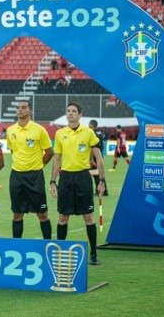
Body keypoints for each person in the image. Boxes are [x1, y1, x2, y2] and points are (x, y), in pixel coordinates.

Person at [50, 102, 106, 265]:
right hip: (65, 178)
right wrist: (53, 181)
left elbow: (99, 158)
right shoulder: (60, 134)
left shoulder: (88, 133)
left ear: (80, 115)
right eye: (68, 111)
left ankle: (93, 254)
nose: (70, 113)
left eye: (74, 111)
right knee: (62, 217)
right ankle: (59, 254)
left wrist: (101, 180)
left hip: (83, 178)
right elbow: (57, 159)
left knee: (88, 217)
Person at [6, 100, 53, 239]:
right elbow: (13, 151)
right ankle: (17, 247)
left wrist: (38, 166)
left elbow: (50, 152)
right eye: (18, 108)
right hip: (16, 176)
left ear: (30, 111)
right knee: (17, 214)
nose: (20, 110)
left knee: (42, 213)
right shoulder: (10, 130)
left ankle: (47, 245)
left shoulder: (39, 130)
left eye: (24, 107)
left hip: (35, 176)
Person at [89, 120, 109, 196]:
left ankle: (100, 191)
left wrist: (91, 159)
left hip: (95, 156)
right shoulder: (99, 133)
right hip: (100, 155)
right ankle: (104, 190)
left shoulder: (93, 133)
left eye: (89, 125)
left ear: (92, 125)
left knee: (96, 174)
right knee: (99, 173)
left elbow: (92, 147)